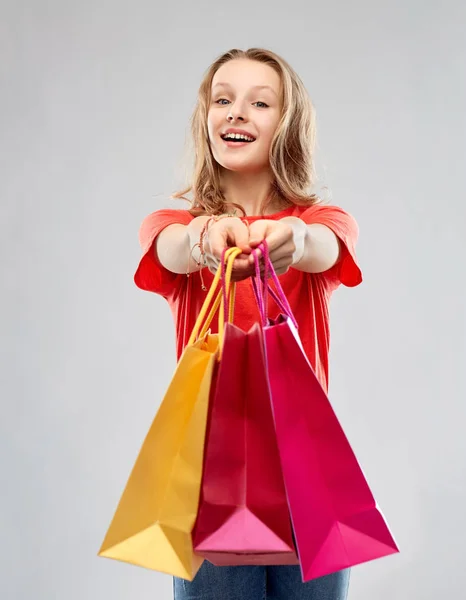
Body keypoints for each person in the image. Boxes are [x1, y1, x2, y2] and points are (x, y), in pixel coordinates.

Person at [134, 47, 362, 600]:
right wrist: (203, 239)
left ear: (286, 125)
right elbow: (171, 249)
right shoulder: (172, 222)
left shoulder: (320, 221)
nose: (236, 112)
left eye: (260, 102)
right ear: (206, 118)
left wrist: (296, 240)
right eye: (223, 99)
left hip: (308, 487)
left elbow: (325, 246)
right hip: (208, 489)